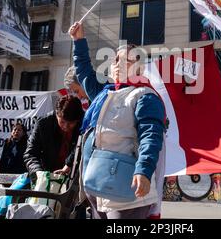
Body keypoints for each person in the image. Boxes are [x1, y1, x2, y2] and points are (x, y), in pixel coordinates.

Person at [69, 21, 166, 219]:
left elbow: (151, 136)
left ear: (139, 69)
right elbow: (85, 72)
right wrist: (78, 41)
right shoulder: (104, 93)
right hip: (97, 187)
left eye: (125, 61)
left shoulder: (145, 96)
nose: (116, 64)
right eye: (114, 60)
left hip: (126, 191)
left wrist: (144, 170)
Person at [23, 95, 85, 177]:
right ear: (56, 114)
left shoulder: (85, 124)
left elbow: (82, 148)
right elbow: (30, 154)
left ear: (78, 120)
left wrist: (69, 164)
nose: (66, 126)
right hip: (46, 176)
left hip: (76, 178)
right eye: (62, 122)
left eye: (71, 123)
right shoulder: (43, 124)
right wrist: (39, 172)